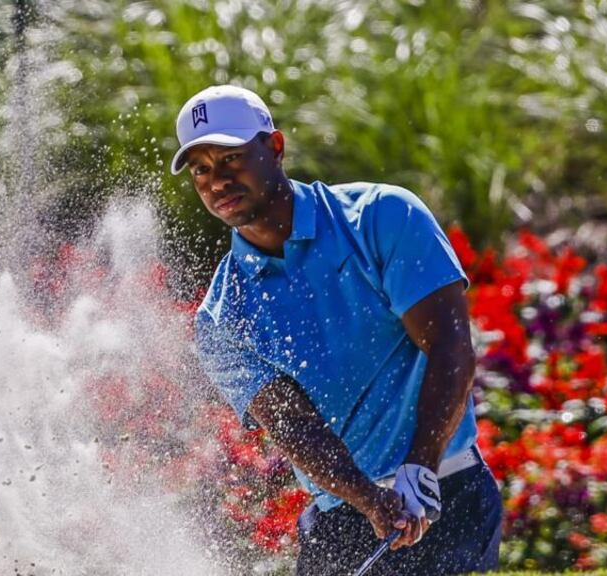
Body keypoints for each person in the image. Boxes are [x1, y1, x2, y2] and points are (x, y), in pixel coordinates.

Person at [173, 85, 502, 575]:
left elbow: (450, 348)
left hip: (448, 491)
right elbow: (294, 426)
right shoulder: (221, 316)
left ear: (275, 148)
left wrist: (420, 465)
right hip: (344, 517)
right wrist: (371, 499)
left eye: (231, 158)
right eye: (201, 168)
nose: (217, 180)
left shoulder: (382, 216)